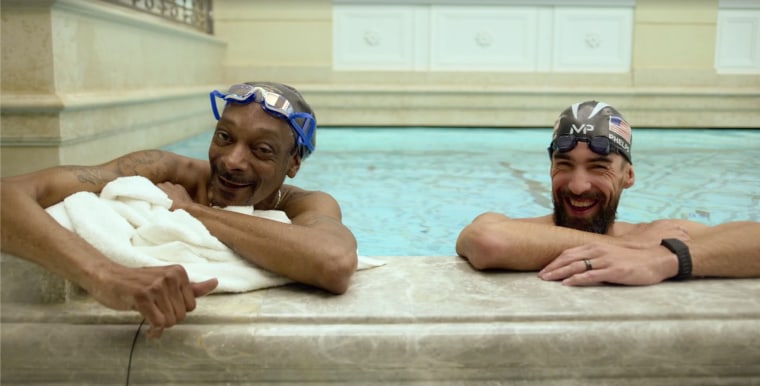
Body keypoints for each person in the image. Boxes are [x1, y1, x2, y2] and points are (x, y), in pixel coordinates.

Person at [1, 81, 358, 336]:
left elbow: (333, 262)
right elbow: (9, 194)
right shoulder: (165, 168)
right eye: (224, 137)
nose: (232, 160)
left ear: (293, 164)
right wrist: (104, 276)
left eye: (261, 150)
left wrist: (192, 211)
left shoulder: (305, 204)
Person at [456, 100, 760, 285]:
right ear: (551, 170)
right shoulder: (516, 229)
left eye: (598, 167)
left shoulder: (656, 239)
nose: (578, 185)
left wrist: (662, 260)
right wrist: (624, 245)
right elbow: (486, 241)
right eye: (564, 165)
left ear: (628, 176)